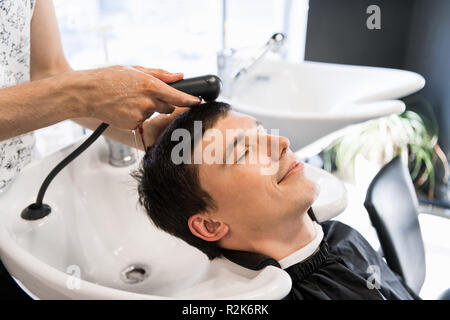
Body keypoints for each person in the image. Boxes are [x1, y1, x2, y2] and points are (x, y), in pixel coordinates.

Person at [0, 0, 200, 299]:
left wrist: (143, 133)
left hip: (13, 193)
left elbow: (48, 72)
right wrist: (83, 93)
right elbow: (65, 91)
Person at [134, 101, 420, 300]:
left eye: (263, 133)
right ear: (210, 225)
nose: (281, 144)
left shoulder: (336, 234)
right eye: (244, 153)